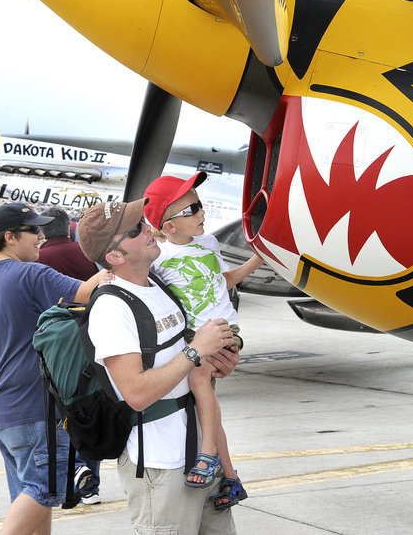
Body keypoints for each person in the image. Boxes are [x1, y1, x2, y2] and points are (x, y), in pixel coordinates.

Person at [77, 198, 239, 534]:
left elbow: (184, 361)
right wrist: (196, 352)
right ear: (115, 257)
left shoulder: (159, 286)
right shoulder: (111, 308)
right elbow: (135, 393)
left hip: (201, 456)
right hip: (160, 466)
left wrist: (217, 360)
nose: (149, 229)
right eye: (136, 229)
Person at [0, 202, 112, 535]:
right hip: (33, 410)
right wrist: (109, 264)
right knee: (45, 488)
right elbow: (86, 293)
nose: (42, 236)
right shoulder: (31, 273)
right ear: (10, 237)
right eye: (34, 230)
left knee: (33, 500)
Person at [144, 173, 263, 508]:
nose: (202, 212)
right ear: (169, 227)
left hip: (224, 331)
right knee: (205, 405)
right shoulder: (159, 259)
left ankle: (208, 455)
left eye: (200, 204)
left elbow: (221, 283)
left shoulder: (209, 243)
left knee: (198, 382)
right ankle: (231, 478)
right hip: (195, 338)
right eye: (192, 208)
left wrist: (257, 260)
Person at [36, 207, 101, 505]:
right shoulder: (85, 252)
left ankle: (70, 477)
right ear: (68, 227)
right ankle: (90, 483)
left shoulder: (36, 261)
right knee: (89, 406)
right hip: (91, 337)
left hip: (54, 345)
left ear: (42, 231)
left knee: (59, 412)